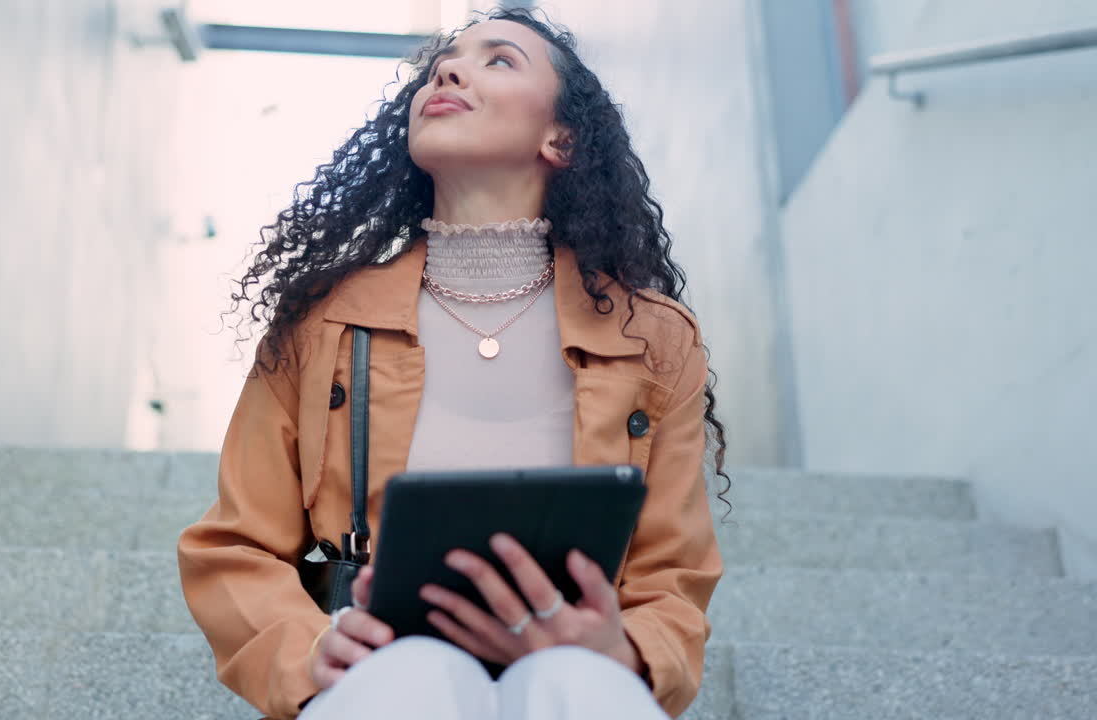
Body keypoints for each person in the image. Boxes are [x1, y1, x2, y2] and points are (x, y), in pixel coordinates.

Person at [176, 7, 730, 720]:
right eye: (443, 62)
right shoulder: (321, 322)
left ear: (561, 138)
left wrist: (622, 651)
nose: (448, 71)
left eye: (498, 60)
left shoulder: (652, 338)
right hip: (380, 675)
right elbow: (234, 546)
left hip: (574, 681)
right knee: (413, 676)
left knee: (575, 682)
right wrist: (307, 650)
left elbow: (673, 575)